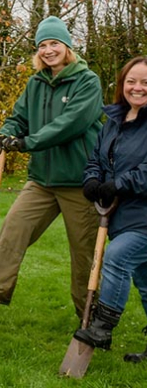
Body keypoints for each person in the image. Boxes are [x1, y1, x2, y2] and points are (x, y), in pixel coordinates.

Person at [0, 16, 103, 322]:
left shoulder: (87, 82)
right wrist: (5, 134)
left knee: (84, 255)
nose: (48, 50)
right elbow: (18, 118)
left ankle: (91, 317)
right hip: (42, 181)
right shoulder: (36, 84)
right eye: (42, 45)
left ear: (67, 46)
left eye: (54, 43)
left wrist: (26, 142)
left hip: (80, 181)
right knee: (13, 229)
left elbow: (70, 124)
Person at [72, 56, 147, 361]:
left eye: (144, 82)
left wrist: (120, 184)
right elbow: (95, 160)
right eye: (131, 81)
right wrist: (92, 181)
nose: (137, 87)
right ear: (122, 84)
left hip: (143, 217)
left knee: (116, 258)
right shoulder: (113, 121)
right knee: (145, 281)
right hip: (120, 216)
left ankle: (102, 328)